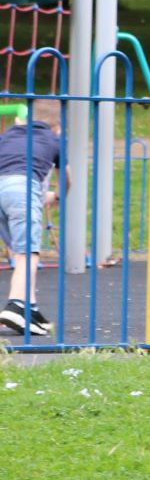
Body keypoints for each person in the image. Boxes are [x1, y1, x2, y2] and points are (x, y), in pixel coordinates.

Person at [0, 99, 65, 337]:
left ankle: (31, 308)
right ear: (57, 126)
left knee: (19, 251)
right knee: (28, 252)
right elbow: (65, 178)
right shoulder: (54, 139)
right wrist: (56, 197)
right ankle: (15, 304)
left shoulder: (8, 135)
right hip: (22, 189)